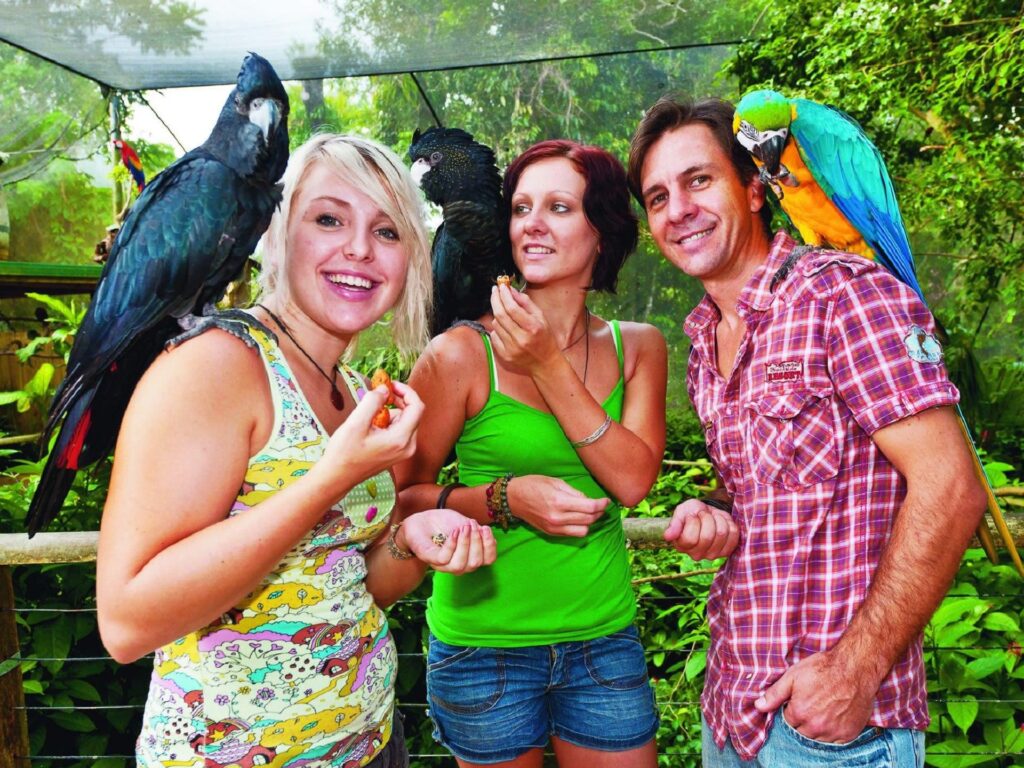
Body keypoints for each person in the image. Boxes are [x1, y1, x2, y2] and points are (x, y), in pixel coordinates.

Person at [95, 133, 497, 768]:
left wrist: (411, 542)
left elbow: (344, 582)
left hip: (370, 743)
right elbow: (126, 622)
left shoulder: (357, 388)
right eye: (328, 218)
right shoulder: (217, 366)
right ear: (276, 234)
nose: (360, 249)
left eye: (388, 231)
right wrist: (333, 476)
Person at [626, 96, 988, 767]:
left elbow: (952, 487)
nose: (678, 209)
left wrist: (853, 671)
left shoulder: (846, 294)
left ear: (754, 188)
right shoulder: (706, 341)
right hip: (732, 712)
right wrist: (715, 513)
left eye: (698, 180)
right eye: (657, 197)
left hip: (835, 732)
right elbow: (774, 493)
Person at [395, 139, 667, 768]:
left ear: (602, 232)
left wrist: (546, 363)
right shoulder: (457, 354)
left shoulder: (641, 346)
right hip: (482, 649)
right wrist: (502, 499)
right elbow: (400, 501)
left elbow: (631, 482)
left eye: (559, 207)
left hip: (603, 640)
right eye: (521, 208)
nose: (532, 224)